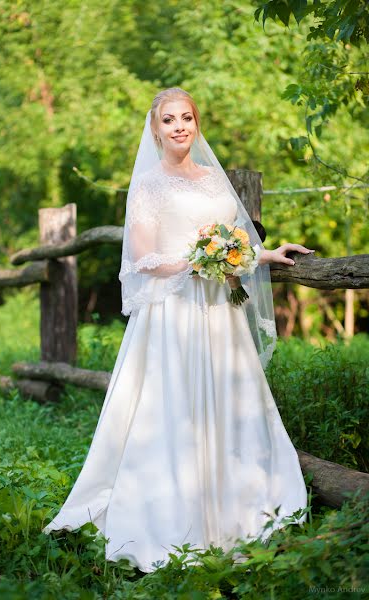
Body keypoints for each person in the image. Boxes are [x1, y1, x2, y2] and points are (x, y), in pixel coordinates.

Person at [43, 88, 314, 573]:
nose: (179, 127)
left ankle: (234, 508)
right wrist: (198, 260)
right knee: (176, 409)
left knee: (228, 403)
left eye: (186, 117)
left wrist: (265, 255)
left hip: (220, 315)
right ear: (155, 129)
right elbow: (143, 258)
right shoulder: (148, 185)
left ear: (196, 122)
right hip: (174, 315)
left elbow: (234, 246)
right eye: (169, 120)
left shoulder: (214, 180)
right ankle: (175, 518)